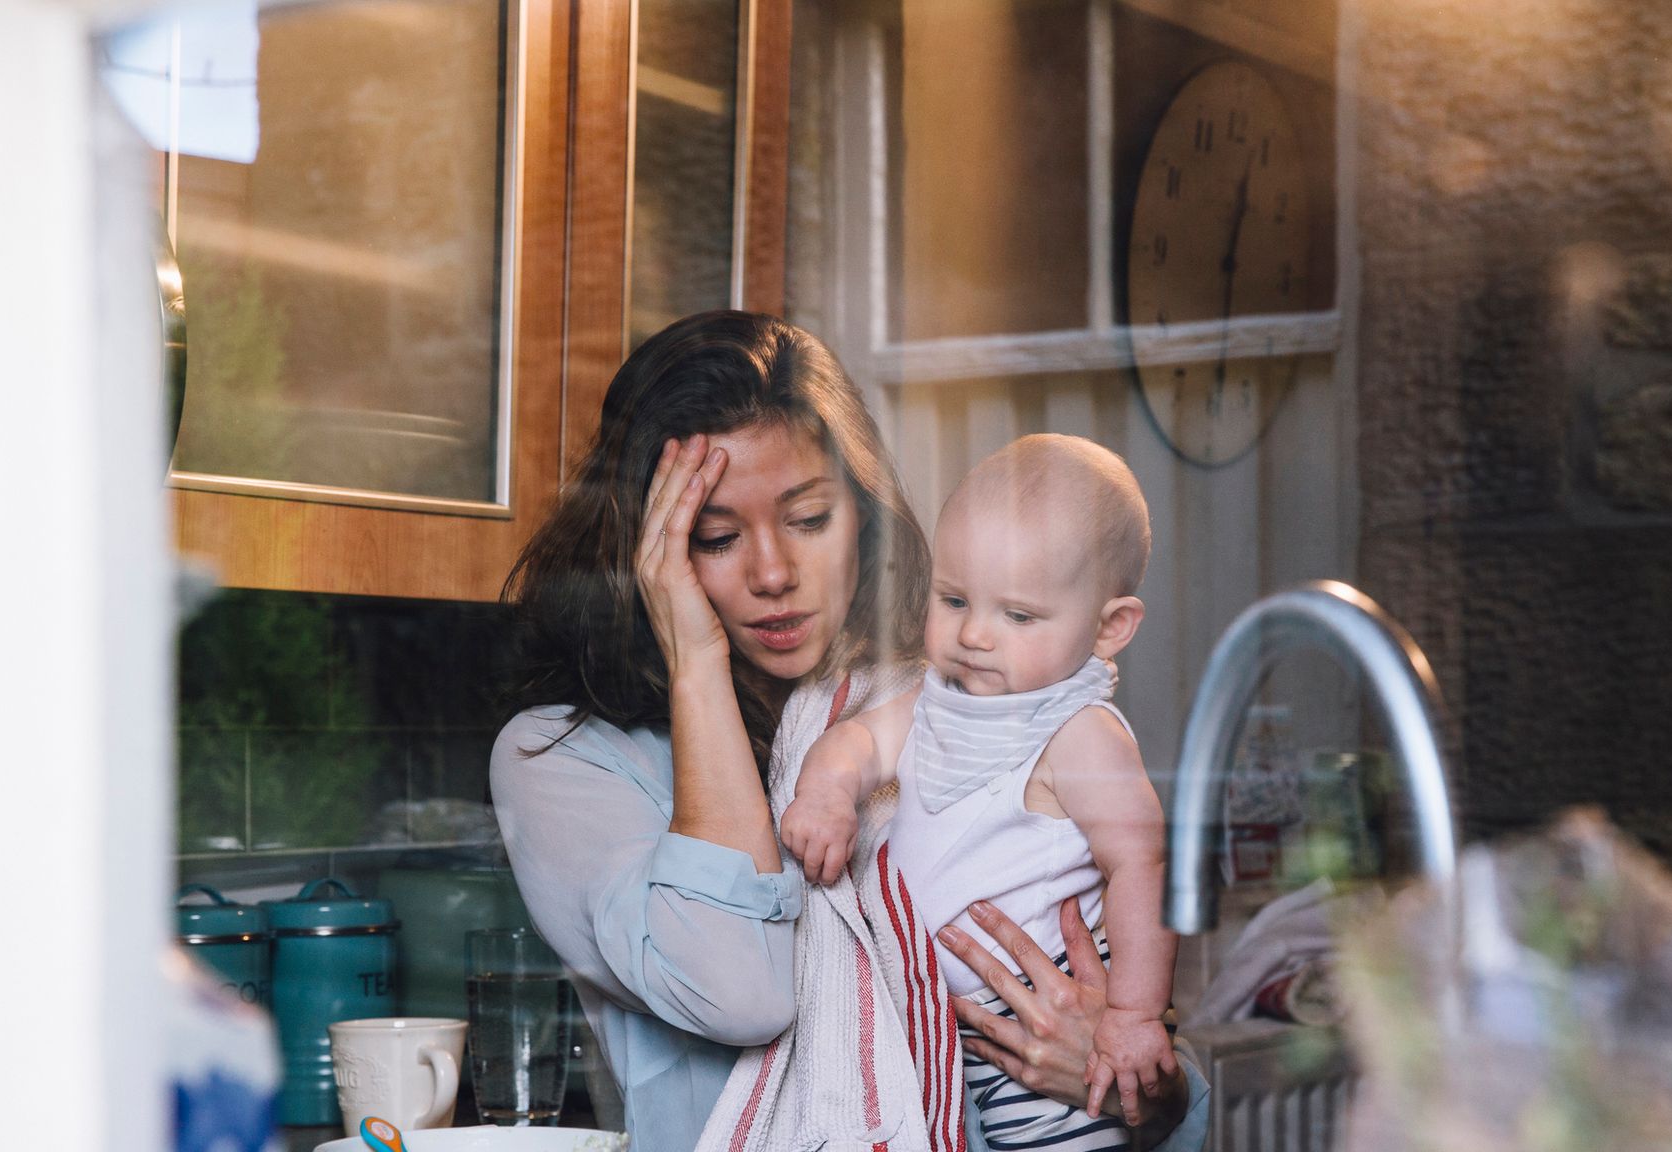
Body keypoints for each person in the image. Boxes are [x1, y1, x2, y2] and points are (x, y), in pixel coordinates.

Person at [489, 312, 1207, 1152]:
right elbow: (741, 991)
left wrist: (1133, 1085)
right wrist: (696, 658)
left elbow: (1157, 1069)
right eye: (715, 537)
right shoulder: (565, 762)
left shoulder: (949, 706)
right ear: (646, 550)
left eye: (809, 519)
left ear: (862, 516)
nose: (772, 575)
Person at [779, 434, 1176, 1152]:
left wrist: (1135, 1017)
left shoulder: (1079, 732)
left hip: (1041, 1046)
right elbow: (859, 741)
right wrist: (828, 795)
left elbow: (1143, 865)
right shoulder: (938, 701)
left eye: (1018, 616)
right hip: (943, 1035)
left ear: (1110, 627)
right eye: (954, 599)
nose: (973, 635)